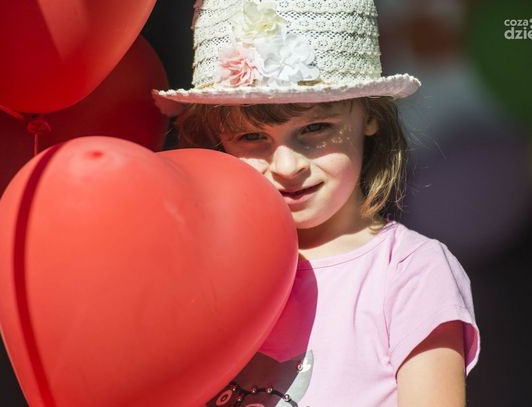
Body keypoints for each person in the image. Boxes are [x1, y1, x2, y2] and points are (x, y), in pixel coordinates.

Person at [153, 0, 480, 405]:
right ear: (217, 138)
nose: (287, 166)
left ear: (371, 116)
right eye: (252, 137)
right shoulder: (203, 267)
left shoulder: (409, 270)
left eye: (315, 128)